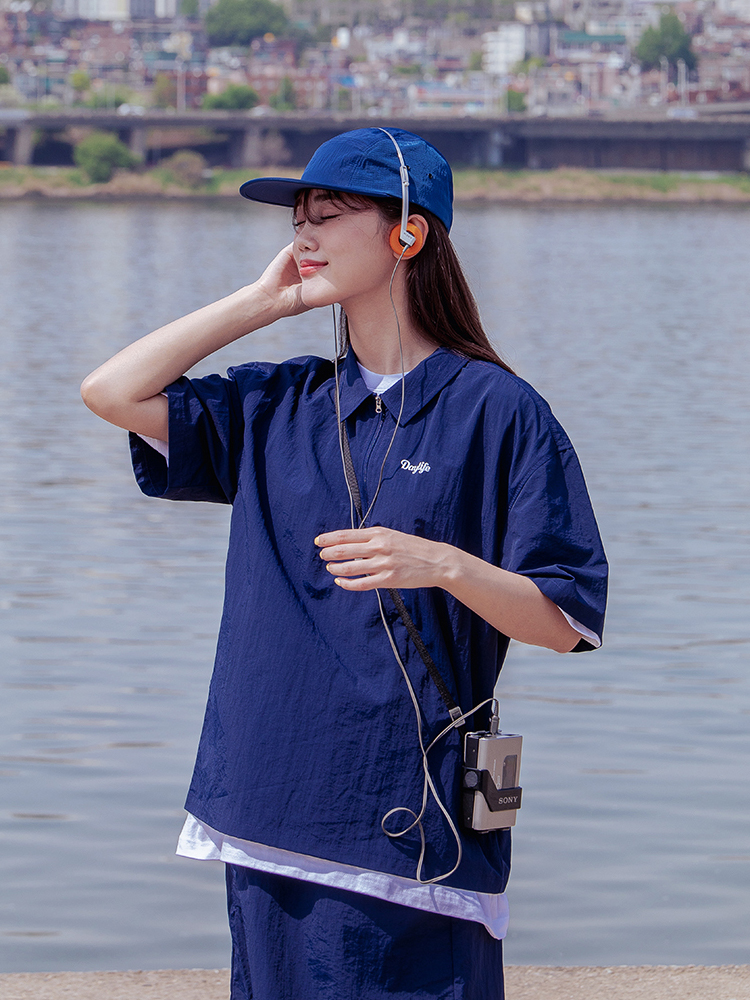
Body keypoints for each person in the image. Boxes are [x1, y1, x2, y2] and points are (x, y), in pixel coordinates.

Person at [81, 127, 607, 1000]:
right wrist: (260, 305)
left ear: (409, 232)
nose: (304, 236)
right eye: (298, 219)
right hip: (263, 808)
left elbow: (564, 621)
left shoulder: (499, 411)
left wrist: (442, 564)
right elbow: (110, 392)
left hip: (413, 826)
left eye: (327, 215)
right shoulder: (277, 401)